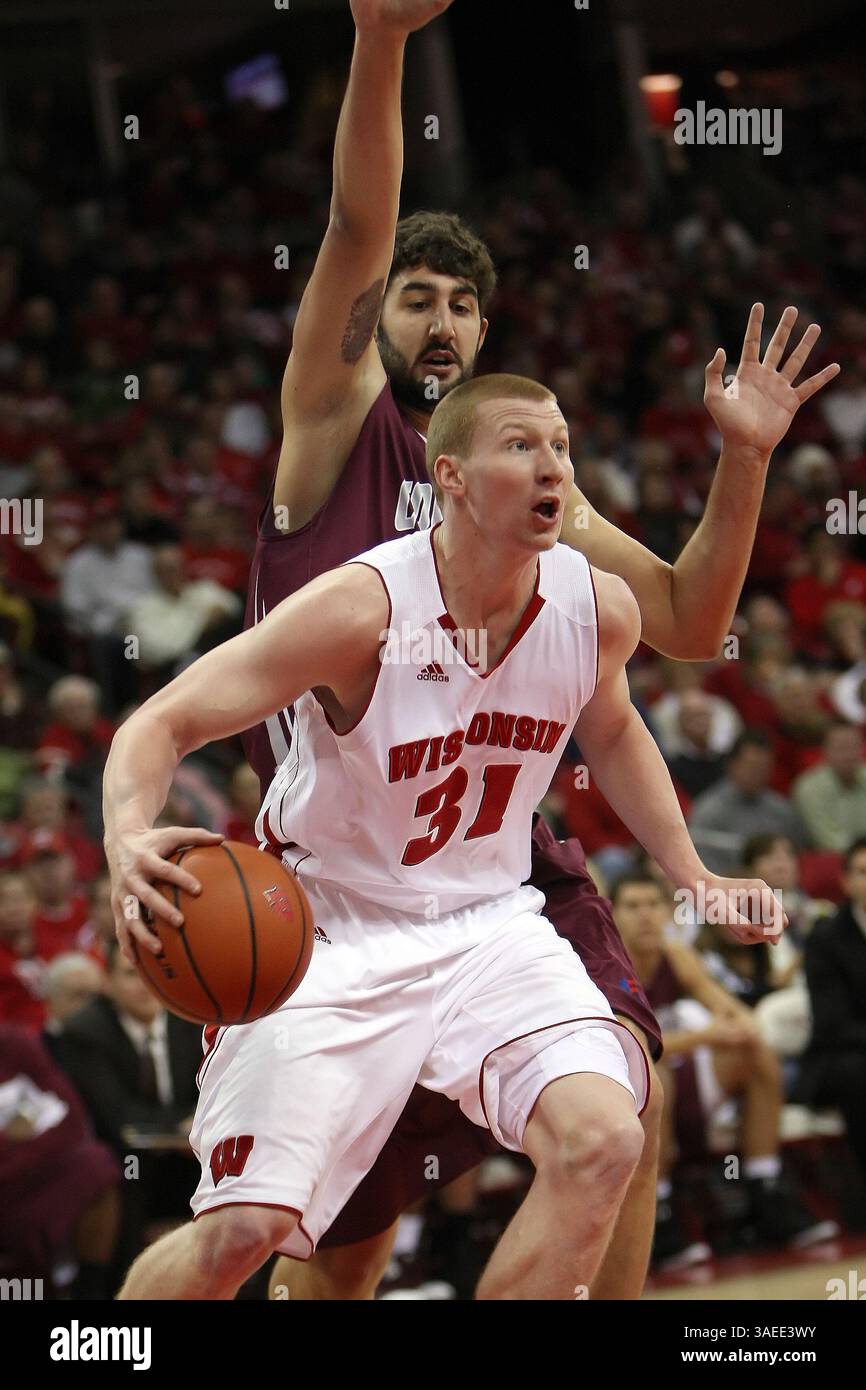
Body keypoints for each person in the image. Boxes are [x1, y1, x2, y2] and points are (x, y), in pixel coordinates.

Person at [241, 0, 837, 1303]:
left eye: (462, 300)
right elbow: (351, 225)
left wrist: (739, 462)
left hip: (500, 859)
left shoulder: (522, 483)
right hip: (342, 885)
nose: (440, 317)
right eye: (415, 297)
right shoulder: (333, 423)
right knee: (342, 1262)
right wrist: (385, 40)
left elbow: (687, 619)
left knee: (629, 1096)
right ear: (372, 319)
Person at [103, 373, 785, 1301]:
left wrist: (695, 872)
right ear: (453, 476)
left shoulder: (597, 608)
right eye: (521, 445)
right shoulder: (362, 609)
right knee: (241, 1236)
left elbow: (616, 731)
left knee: (605, 1140)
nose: (552, 465)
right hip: (328, 932)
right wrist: (124, 836)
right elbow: (163, 721)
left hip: (487, 925)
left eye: (561, 445)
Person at [610, 873, 836, 1267]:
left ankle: (763, 1185)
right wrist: (709, 1034)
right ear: (611, 914)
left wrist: (729, 1028)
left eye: (652, 905)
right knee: (652, 1074)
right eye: (633, 906)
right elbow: (632, 1047)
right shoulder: (606, 963)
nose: (645, 916)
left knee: (757, 1050)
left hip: (678, 1071)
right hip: (622, 1086)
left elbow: (739, 1015)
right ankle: (660, 1214)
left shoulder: (677, 956)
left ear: (668, 911)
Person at [801, 836, 866, 1220]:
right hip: (839, 1055)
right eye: (862, 872)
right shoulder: (826, 938)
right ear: (845, 881)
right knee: (858, 1073)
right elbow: (832, 1023)